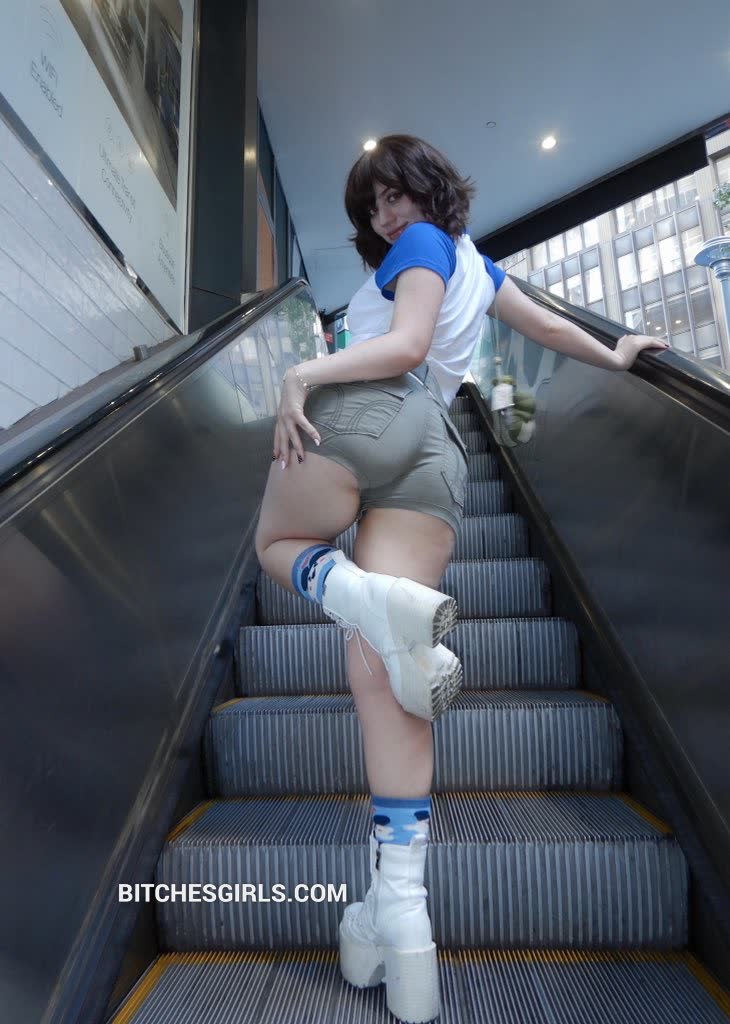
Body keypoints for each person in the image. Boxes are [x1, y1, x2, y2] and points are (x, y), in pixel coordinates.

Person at [254, 134, 669, 1024]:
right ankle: (400, 909)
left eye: (395, 194)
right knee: (387, 672)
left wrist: (303, 370)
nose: (385, 216)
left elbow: (405, 344)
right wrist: (617, 354)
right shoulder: (482, 267)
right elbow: (545, 328)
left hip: (364, 415)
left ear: (429, 189)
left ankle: (353, 590)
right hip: (438, 457)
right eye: (373, 207)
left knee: (276, 546)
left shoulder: (422, 246)